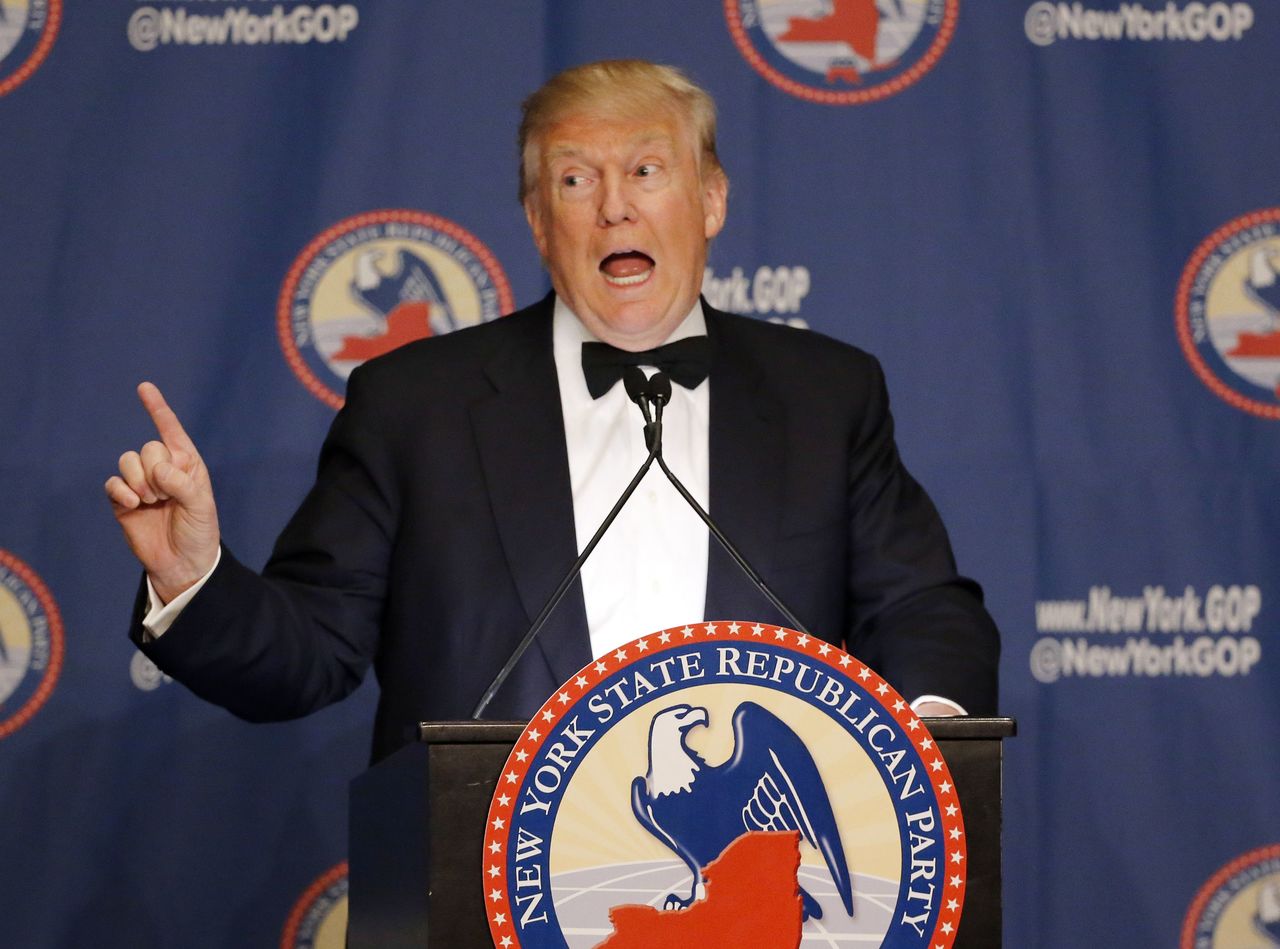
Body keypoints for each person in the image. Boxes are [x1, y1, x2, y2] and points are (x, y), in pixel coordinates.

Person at [105, 60, 998, 763]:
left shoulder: (825, 395)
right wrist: (196, 579)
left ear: (711, 198)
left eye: (647, 169)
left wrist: (916, 738)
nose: (614, 206)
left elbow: (923, 609)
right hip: (489, 888)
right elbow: (308, 655)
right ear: (538, 220)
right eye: (575, 181)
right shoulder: (416, 405)